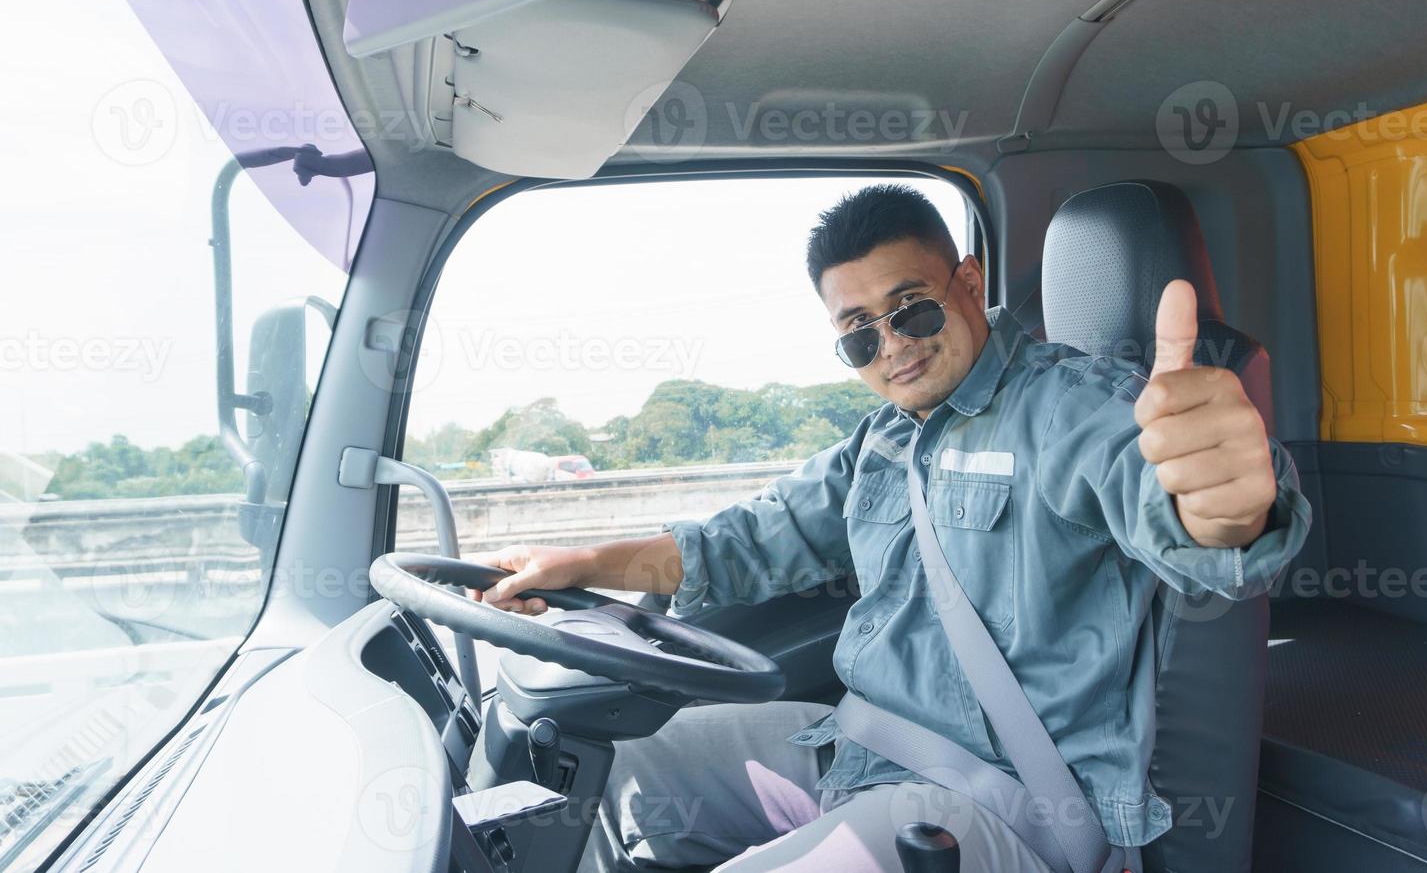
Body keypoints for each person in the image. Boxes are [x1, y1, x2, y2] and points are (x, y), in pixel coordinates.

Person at [471, 184, 1311, 871]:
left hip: (1005, 809)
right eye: (857, 335)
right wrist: (577, 560)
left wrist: (1229, 506)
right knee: (603, 769)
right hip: (854, 754)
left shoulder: (1078, 407)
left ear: (972, 287)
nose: (892, 348)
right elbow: (744, 541)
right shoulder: (882, 442)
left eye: (911, 310)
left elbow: (1193, 520)